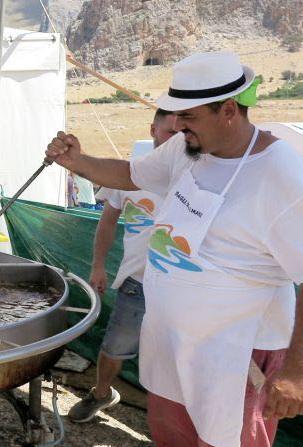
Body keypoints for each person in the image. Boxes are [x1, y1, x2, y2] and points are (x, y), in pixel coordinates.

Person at [45, 52, 303, 446]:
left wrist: (297, 372)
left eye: (189, 117)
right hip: (171, 343)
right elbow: (131, 174)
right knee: (171, 437)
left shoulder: (282, 175)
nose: (179, 127)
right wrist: (77, 161)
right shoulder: (187, 148)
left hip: (237, 355)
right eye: (177, 116)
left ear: (229, 110)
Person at [66, 108, 177, 423]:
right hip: (137, 281)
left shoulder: (195, 174)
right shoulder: (129, 173)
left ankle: (170, 421)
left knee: (174, 357)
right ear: (152, 130)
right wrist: (98, 266)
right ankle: (101, 393)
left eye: (182, 133)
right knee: (115, 346)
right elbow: (107, 222)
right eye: (169, 132)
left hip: (180, 289)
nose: (176, 140)